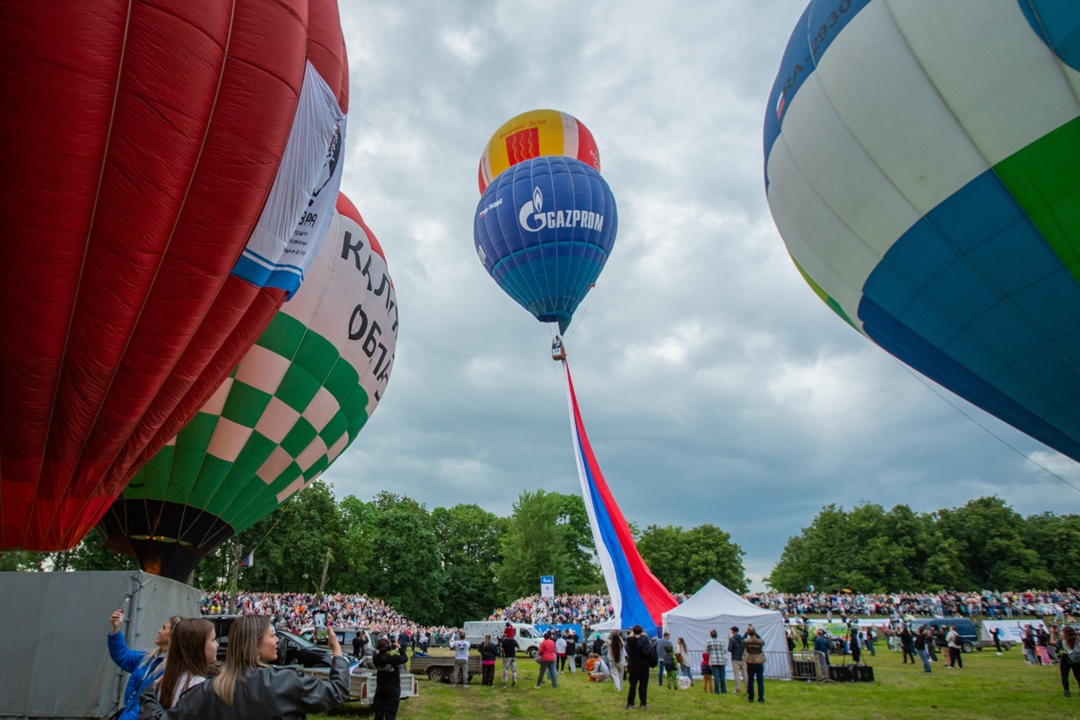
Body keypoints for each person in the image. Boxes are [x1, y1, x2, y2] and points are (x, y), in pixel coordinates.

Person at [140, 616, 349, 720]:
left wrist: (149, 694)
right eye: (272, 635)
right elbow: (336, 691)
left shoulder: (207, 691)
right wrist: (337, 653)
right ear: (256, 644)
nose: (277, 640)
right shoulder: (284, 682)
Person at [108, 606, 178, 720]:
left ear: (172, 636)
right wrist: (116, 628)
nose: (159, 630)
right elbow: (123, 656)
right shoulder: (148, 658)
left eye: (164, 628)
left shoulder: (172, 669)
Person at [155, 618, 217, 710]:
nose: (217, 644)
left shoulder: (168, 681)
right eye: (213, 640)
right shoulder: (200, 688)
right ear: (198, 645)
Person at [371, 638, 408, 720]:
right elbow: (405, 658)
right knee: (390, 713)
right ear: (389, 648)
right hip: (393, 687)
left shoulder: (375, 658)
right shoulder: (394, 658)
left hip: (380, 687)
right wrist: (399, 647)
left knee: (379, 712)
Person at [624, 625, 651, 710]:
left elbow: (628, 651)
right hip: (644, 665)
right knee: (643, 685)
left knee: (632, 685)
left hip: (634, 665)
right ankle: (643, 703)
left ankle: (630, 704)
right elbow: (648, 651)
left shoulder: (630, 640)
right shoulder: (645, 639)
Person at [743, 625, 766, 703]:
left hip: (750, 661)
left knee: (750, 680)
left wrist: (745, 634)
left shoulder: (747, 641)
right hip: (759, 661)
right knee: (760, 681)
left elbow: (741, 641)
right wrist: (756, 634)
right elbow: (763, 642)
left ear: (748, 633)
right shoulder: (759, 642)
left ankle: (751, 697)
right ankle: (761, 698)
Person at [1060, 626, 1080, 697]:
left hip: (1066, 658)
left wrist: (1052, 634)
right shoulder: (1077, 639)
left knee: (1064, 675)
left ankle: (1067, 691)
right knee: (1078, 675)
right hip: (1077, 659)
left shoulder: (1064, 641)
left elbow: (1052, 642)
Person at [706, 628, 728, 694]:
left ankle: (716, 691)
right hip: (721, 660)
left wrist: (711, 653)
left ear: (710, 635)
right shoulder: (721, 640)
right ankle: (723, 690)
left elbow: (707, 651)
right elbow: (724, 651)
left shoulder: (709, 641)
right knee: (722, 676)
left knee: (716, 676)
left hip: (713, 660)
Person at [728, 626, 746, 694]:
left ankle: (738, 688)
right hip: (743, 658)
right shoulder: (742, 639)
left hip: (735, 658)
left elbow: (730, 649)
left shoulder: (732, 639)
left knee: (737, 674)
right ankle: (747, 688)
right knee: (745, 674)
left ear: (733, 631)